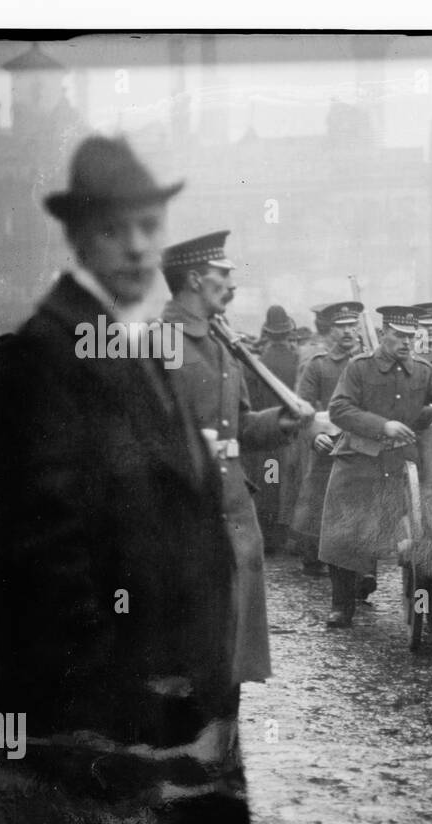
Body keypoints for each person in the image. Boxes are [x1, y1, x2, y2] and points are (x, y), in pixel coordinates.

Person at [0, 135, 257, 824]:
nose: (133, 246)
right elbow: (36, 551)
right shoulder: (44, 357)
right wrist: (124, 714)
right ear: (79, 241)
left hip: (160, 699)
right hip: (91, 721)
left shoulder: (128, 347)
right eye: (111, 231)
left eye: (145, 228)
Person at [160, 231, 313, 686]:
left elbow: (240, 426)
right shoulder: (157, 343)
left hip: (231, 504)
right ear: (193, 280)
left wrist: (283, 422)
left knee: (227, 654)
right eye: (223, 274)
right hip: (185, 507)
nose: (232, 284)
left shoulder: (223, 345)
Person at [318, 304, 432, 627]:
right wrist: (382, 426)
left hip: (401, 464)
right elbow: (338, 409)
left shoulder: (423, 370)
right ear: (383, 335)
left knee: (420, 531)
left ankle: (424, 603)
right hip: (359, 459)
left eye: (411, 336)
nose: (406, 342)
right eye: (398, 335)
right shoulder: (359, 368)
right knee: (343, 531)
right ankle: (342, 605)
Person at [291, 302, 366, 582]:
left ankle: (359, 571)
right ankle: (317, 557)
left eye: (352, 325)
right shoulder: (318, 366)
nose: (348, 332)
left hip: (364, 447)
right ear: (330, 330)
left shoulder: (370, 363)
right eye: (341, 326)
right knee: (320, 506)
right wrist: (315, 436)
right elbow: (302, 409)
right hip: (329, 448)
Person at [244, 304, 303, 555]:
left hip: (267, 433)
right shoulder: (297, 358)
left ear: (267, 333)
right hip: (292, 433)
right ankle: (286, 536)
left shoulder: (256, 362)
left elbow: (250, 402)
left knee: (269, 483)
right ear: (288, 331)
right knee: (290, 486)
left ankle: (269, 538)